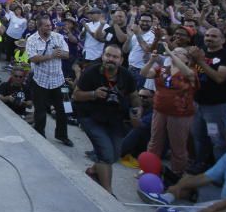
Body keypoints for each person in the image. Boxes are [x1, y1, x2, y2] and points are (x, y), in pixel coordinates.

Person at [72, 45, 140, 193]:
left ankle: (93, 170)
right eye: (108, 55)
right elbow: (76, 95)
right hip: (90, 117)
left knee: (115, 155)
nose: (111, 59)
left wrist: (137, 110)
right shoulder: (91, 72)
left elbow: (134, 96)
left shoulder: (126, 76)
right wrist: (93, 94)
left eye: (115, 57)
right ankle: (107, 192)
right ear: (103, 56)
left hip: (114, 119)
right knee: (106, 154)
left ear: (121, 60)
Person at [141, 46, 199, 182]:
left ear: (187, 59)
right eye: (175, 51)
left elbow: (189, 76)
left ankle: (177, 173)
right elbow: (144, 73)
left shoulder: (191, 71)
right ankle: (150, 169)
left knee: (177, 145)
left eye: (181, 52)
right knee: (155, 141)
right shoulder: (163, 69)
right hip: (160, 110)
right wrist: (151, 61)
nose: (176, 53)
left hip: (179, 113)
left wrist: (170, 53)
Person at [188, 28, 226, 172]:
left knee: (217, 140)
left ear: (223, 40)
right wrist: (193, 61)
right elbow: (192, 73)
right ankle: (201, 164)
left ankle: (221, 170)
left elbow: (219, 78)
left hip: (216, 107)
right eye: (207, 35)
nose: (209, 38)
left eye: (214, 36)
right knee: (198, 136)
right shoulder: (201, 52)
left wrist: (200, 61)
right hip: (198, 103)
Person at [26, 17, 73, 147]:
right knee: (40, 111)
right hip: (40, 81)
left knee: (62, 109)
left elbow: (67, 54)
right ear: (39, 27)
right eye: (46, 26)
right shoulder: (32, 39)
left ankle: (62, 135)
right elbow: (33, 58)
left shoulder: (58, 37)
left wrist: (59, 54)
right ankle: (40, 134)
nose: (49, 28)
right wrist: (51, 55)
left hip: (58, 80)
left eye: (50, 25)